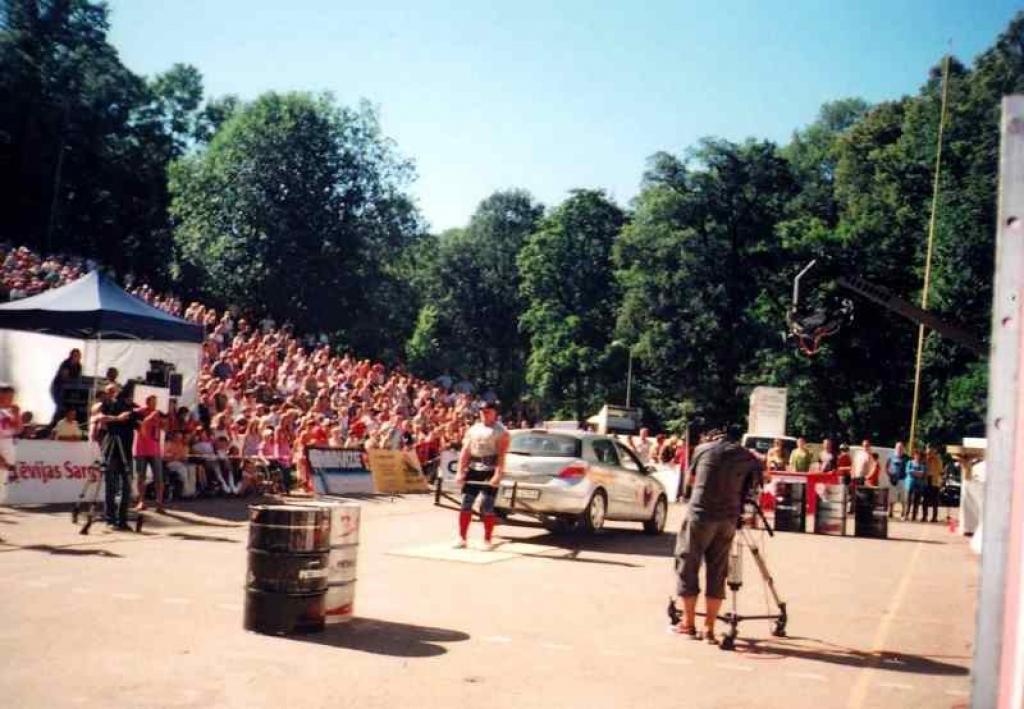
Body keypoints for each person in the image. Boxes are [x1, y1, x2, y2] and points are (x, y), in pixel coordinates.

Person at [672, 425, 761, 645]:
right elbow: (760, 478)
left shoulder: (702, 449)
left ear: (712, 437)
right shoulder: (746, 455)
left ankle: (688, 624)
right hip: (729, 519)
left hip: (700, 516)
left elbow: (691, 481)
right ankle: (709, 629)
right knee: (718, 571)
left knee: (688, 565)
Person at [454, 401, 509, 550]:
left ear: (494, 413)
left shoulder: (501, 431)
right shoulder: (473, 429)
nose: (484, 413)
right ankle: (462, 538)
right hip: (474, 468)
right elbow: (465, 451)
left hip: (490, 469)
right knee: (466, 502)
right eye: (482, 411)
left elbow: (501, 455)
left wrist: (498, 474)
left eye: (488, 411)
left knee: (486, 505)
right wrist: (460, 471)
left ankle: (487, 540)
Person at [94, 386, 141, 530]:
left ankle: (122, 519)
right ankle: (110, 519)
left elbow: (139, 426)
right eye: (128, 399)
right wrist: (117, 419)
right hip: (112, 450)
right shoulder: (109, 405)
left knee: (126, 486)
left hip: (126, 451)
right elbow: (99, 418)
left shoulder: (131, 412)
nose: (130, 403)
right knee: (111, 486)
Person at [133, 395, 166, 512]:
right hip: (141, 449)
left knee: (159, 477)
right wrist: (152, 416)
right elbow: (140, 423)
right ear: (147, 402)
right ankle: (141, 501)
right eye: (153, 402)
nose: (155, 404)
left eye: (156, 402)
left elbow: (165, 427)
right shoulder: (140, 412)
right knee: (140, 476)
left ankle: (159, 503)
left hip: (155, 450)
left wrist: (163, 422)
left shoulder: (158, 414)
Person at [0, 384, 21, 476]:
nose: (12, 399)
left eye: (12, 396)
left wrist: (17, 415)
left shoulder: (11, 411)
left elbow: (19, 430)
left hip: (8, 445)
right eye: (9, 396)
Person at [886, 442, 909, 519]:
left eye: (901, 448)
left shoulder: (907, 458)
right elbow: (887, 467)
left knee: (903, 498)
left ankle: (903, 513)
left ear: (903, 449)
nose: (899, 449)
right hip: (893, 480)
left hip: (903, 480)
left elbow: (909, 468)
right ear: (895, 448)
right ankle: (890, 512)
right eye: (898, 447)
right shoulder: (891, 457)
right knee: (892, 497)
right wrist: (889, 475)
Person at [906, 450, 928, 521]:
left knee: (916, 501)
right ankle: (906, 514)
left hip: (919, 485)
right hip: (910, 484)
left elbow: (922, 474)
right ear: (914, 455)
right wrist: (917, 473)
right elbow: (907, 471)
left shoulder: (923, 465)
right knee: (908, 500)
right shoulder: (909, 462)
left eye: (919, 455)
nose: (917, 456)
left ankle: (914, 516)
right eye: (916, 455)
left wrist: (913, 472)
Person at [924, 444, 943, 523]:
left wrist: (934, 457)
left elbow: (940, 470)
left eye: (931, 451)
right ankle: (924, 516)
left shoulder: (938, 459)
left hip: (935, 481)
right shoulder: (925, 459)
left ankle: (934, 517)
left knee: (935, 500)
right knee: (925, 500)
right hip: (926, 481)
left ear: (934, 451)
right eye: (928, 450)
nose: (929, 452)